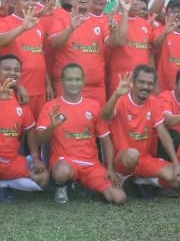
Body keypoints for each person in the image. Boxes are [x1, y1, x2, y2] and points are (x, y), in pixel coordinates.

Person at [37, 63, 125, 205]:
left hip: (91, 164)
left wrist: (109, 168)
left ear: (83, 82)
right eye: (69, 79)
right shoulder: (51, 106)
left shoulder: (94, 105)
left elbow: (106, 141)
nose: (73, 83)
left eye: (77, 79)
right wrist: (52, 127)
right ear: (62, 81)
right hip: (64, 161)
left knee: (119, 198)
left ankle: (87, 185)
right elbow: (38, 139)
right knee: (62, 172)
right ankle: (62, 187)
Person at [0, 55, 48, 209]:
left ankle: (2, 184)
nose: (12, 73)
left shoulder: (21, 99)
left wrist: (36, 157)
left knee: (43, 178)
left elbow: (30, 130)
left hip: (11, 161)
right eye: (7, 69)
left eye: (16, 70)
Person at [103, 65, 180, 198]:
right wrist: (116, 95)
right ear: (133, 83)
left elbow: (163, 133)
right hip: (122, 159)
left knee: (178, 179)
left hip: (144, 159)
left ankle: (139, 181)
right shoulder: (121, 100)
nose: (145, 87)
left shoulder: (154, 103)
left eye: (149, 83)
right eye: (141, 82)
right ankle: (123, 177)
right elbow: (105, 116)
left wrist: (177, 164)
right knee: (132, 154)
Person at [0, 0, 50, 119]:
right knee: (17, 131)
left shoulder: (39, 25)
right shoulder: (6, 22)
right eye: (26, 0)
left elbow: (39, 56)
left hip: (40, 90)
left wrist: (48, 84)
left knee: (35, 132)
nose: (31, 3)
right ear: (14, 2)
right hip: (18, 89)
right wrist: (22, 28)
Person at [50, 0, 111, 105]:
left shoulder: (101, 22)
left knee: (97, 122)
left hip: (96, 88)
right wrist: (71, 28)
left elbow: (113, 43)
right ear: (71, 0)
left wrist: (115, 31)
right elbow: (55, 43)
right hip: (68, 87)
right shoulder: (61, 18)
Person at [153, 0, 180, 93]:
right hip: (162, 91)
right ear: (166, 14)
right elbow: (155, 46)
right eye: (173, 11)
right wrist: (166, 33)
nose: (177, 14)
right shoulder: (159, 31)